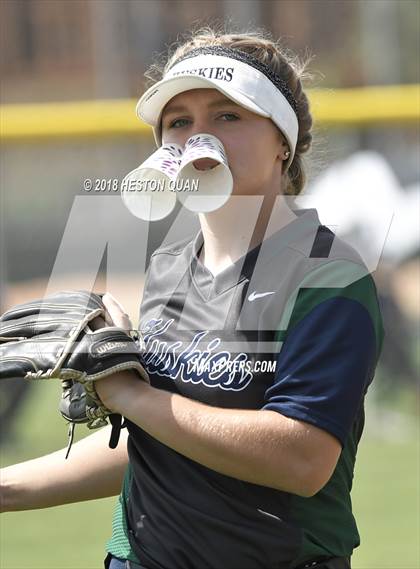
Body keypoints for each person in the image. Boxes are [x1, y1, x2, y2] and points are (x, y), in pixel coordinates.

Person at [0, 27, 384, 569]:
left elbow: (301, 458)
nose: (199, 137)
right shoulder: (169, 268)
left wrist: (130, 396)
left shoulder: (328, 277)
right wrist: (5, 488)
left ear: (283, 142)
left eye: (227, 115)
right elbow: (162, 441)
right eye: (179, 122)